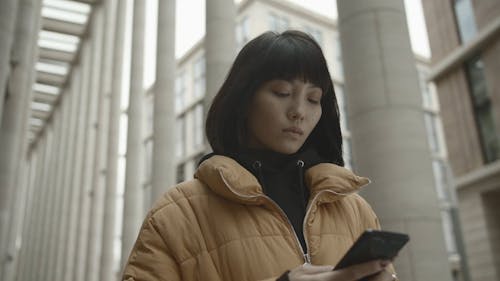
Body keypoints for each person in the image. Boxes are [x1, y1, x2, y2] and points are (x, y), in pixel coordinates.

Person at [122, 30, 397, 281]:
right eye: (282, 92)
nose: (299, 111)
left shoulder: (354, 210)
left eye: (313, 99)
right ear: (243, 99)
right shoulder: (178, 213)